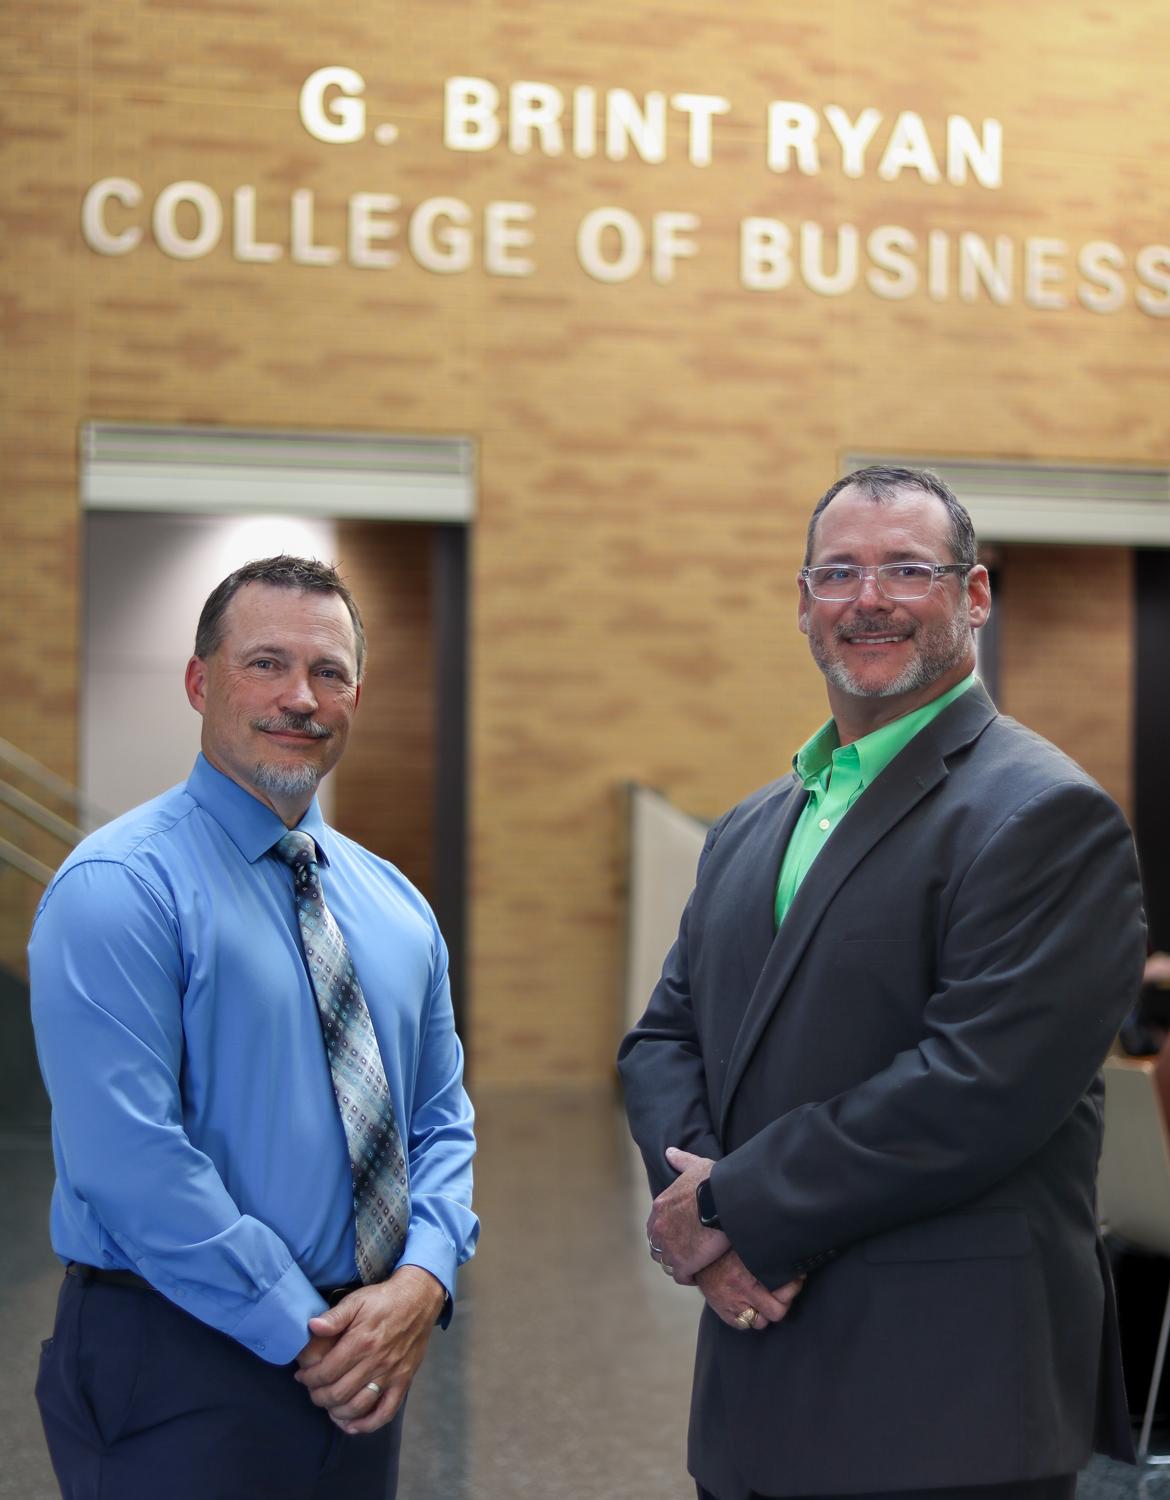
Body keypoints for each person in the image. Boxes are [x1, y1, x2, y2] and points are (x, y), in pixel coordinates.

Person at [618, 467, 1146, 1500]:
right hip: (756, 1378)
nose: (869, 599)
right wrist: (712, 1228)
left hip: (945, 1404)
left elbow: (976, 1089)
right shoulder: (752, 825)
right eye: (839, 572)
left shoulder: (1044, 816)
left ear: (975, 595)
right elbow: (663, 1039)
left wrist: (729, 1205)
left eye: (909, 569)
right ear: (802, 602)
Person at [30, 555, 477, 1500]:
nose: (300, 698)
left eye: (329, 672)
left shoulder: (396, 906)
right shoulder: (120, 889)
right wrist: (304, 1332)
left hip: (366, 1361)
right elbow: (132, 1163)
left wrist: (423, 1281)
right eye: (265, 664)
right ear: (201, 683)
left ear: (357, 692)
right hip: (176, 1361)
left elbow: (441, 1119)